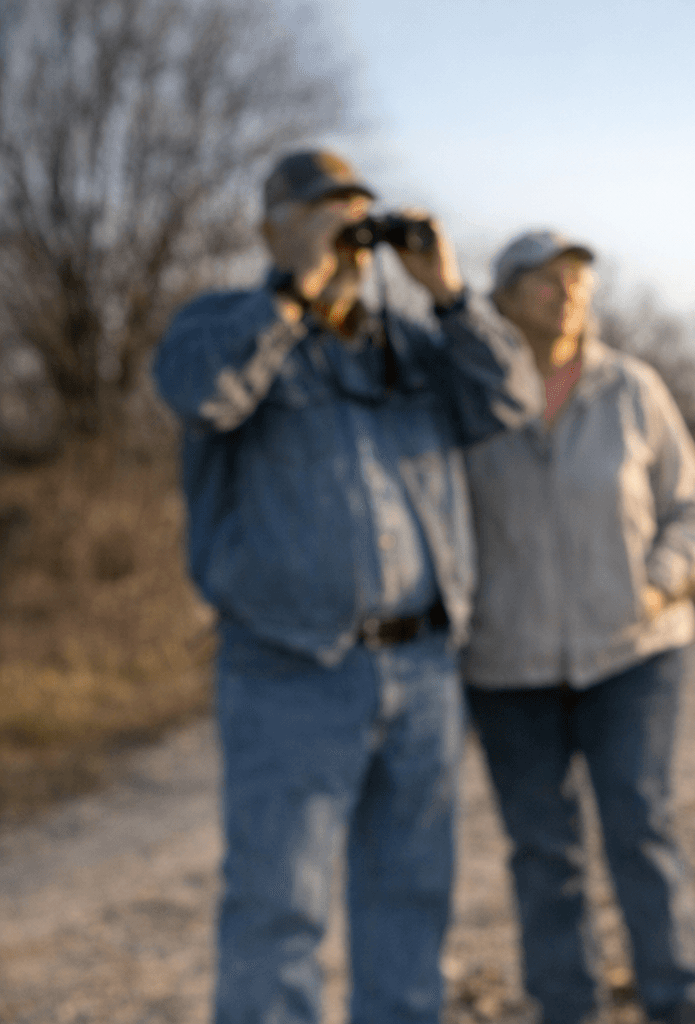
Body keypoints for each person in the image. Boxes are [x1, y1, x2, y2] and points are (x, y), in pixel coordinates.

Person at [153, 150, 539, 1024]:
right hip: (289, 668)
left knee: (410, 902)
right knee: (277, 910)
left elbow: (511, 400)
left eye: (358, 211)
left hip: (426, 667)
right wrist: (294, 293)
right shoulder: (219, 326)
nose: (348, 226)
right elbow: (199, 396)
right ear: (270, 228)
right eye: (324, 208)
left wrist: (446, 292)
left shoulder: (411, 345)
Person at [462, 229, 695, 1024]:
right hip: (508, 668)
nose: (568, 293)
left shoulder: (632, 388)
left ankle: (685, 1004)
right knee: (545, 857)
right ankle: (566, 1009)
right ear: (502, 297)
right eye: (546, 280)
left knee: (641, 832)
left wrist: (657, 585)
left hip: (632, 656)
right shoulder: (469, 394)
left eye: (578, 279)